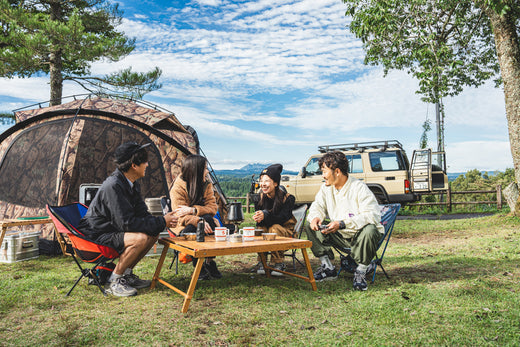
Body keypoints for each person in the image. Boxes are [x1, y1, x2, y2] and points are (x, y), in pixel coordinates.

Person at [79, 142, 178, 297]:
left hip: (112, 230)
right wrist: (162, 221)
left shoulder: (131, 184)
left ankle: (126, 275)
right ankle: (115, 281)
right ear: (134, 165)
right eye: (144, 162)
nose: (147, 164)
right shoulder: (113, 186)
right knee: (139, 239)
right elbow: (126, 224)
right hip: (97, 235)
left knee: (153, 234)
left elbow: (142, 214)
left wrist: (161, 222)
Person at [304, 151, 383, 291]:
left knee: (370, 229)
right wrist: (316, 217)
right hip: (340, 235)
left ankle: (361, 271)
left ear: (337, 171)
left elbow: (372, 215)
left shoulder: (359, 188)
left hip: (360, 236)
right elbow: (317, 206)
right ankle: (327, 267)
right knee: (310, 224)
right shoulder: (326, 188)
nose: (322, 176)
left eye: (324, 171)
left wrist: (342, 223)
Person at [170, 154, 221, 280]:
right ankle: (198, 265)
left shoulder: (206, 185)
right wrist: (198, 220)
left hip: (204, 219)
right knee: (201, 224)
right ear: (196, 171)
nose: (207, 171)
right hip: (183, 226)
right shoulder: (178, 187)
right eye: (204, 168)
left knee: (209, 219)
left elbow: (213, 208)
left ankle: (209, 262)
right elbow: (179, 216)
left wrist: (193, 210)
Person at [253, 164, 296, 276]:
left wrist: (266, 214)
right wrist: (259, 218)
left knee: (274, 228)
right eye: (261, 180)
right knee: (260, 228)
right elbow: (262, 223)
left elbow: (283, 218)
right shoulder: (259, 198)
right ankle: (262, 261)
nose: (263, 184)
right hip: (268, 231)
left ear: (276, 183)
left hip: (286, 233)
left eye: (267, 181)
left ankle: (278, 263)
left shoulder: (288, 198)